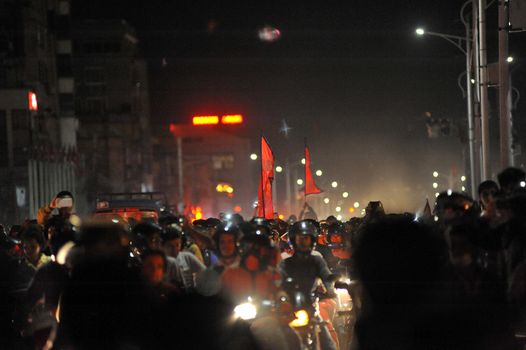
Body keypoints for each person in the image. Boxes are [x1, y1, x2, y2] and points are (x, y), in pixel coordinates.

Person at [162, 227, 205, 293]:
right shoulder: (159, 262)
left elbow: (205, 272)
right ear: (162, 246)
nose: (174, 249)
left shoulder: (187, 257)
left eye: (177, 245)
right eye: (170, 246)